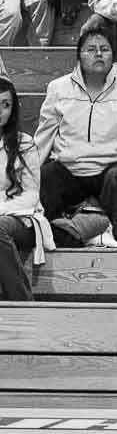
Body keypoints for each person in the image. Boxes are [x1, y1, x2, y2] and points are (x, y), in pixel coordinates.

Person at [36, 27, 117, 248]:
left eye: (104, 49)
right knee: (48, 173)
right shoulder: (58, 88)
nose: (98, 54)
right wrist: (28, 171)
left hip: (112, 168)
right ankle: (46, 238)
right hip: (70, 170)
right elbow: (44, 136)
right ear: (79, 56)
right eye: (91, 49)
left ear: (113, 56)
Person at [0, 77, 52, 299]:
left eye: (5, 105)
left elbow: (31, 196)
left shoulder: (24, 143)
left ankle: (23, 302)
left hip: (23, 219)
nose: (0, 110)